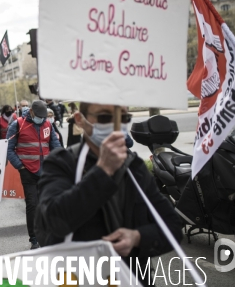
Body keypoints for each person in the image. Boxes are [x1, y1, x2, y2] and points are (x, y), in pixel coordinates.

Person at [35, 103, 182, 286]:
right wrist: (103, 171)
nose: (115, 124)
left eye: (123, 118)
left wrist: (137, 237)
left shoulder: (134, 168)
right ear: (81, 120)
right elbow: (55, 220)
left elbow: (173, 227)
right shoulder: (61, 163)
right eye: (105, 117)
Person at [6, 101, 61, 249]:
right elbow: (8, 149)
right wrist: (20, 166)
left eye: (44, 117)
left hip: (46, 172)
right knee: (33, 205)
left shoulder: (48, 124)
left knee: (47, 204)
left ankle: (49, 234)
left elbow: (55, 146)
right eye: (39, 117)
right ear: (31, 112)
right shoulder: (17, 125)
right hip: (28, 171)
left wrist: (60, 162)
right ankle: (34, 239)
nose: (42, 119)